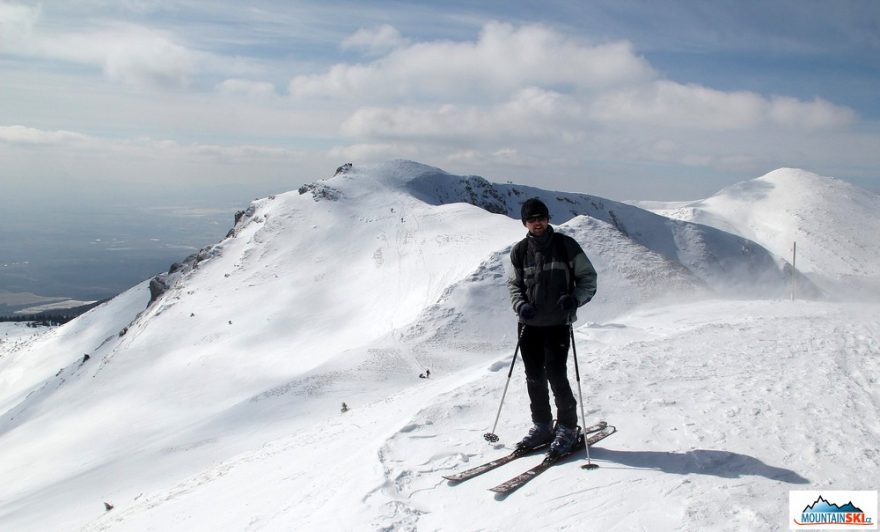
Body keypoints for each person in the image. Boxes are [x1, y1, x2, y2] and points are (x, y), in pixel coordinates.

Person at [507, 198, 598, 457]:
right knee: (534, 377)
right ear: (525, 222)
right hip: (528, 325)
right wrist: (520, 305)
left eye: (541, 217)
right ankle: (543, 426)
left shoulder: (566, 246)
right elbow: (513, 285)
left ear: (548, 219)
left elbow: (588, 279)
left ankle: (568, 427)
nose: (537, 222)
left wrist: (575, 299)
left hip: (558, 323)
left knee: (557, 376)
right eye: (532, 219)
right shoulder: (519, 251)